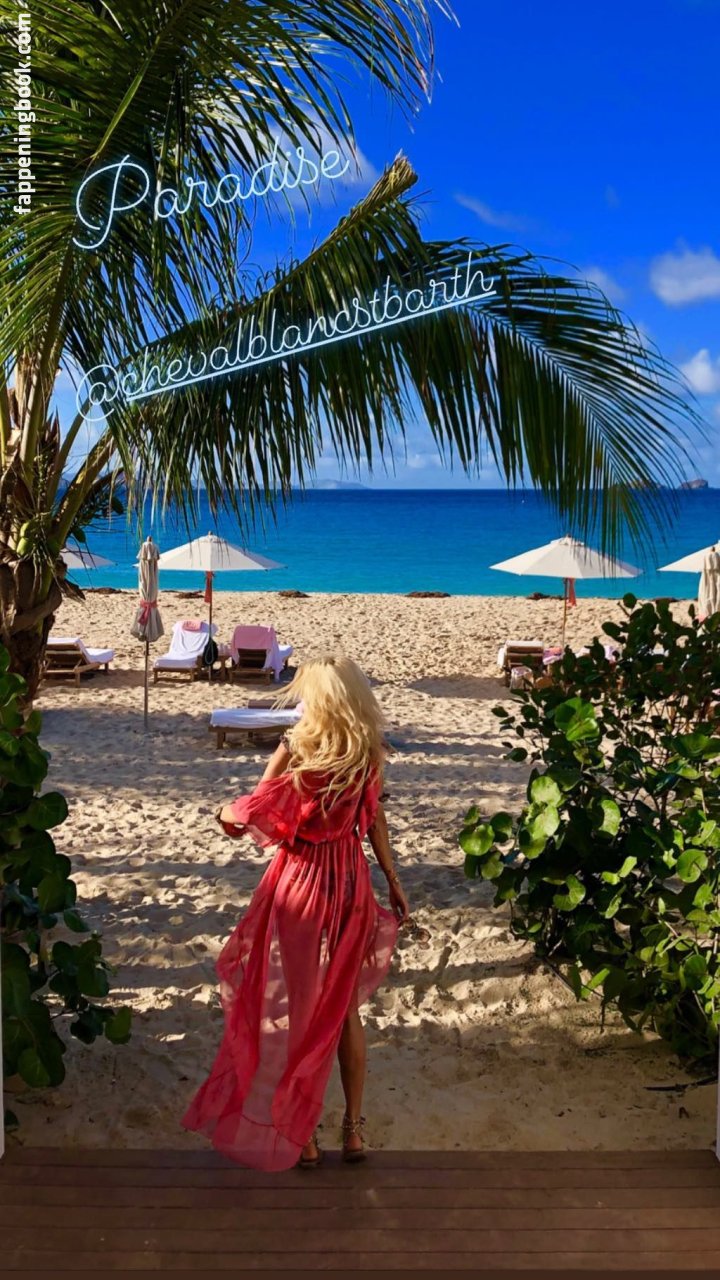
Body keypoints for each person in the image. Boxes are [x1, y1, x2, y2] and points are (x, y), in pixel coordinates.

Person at [182, 654, 410, 1170]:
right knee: (344, 1009)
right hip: (351, 882)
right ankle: (353, 1131)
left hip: (302, 882)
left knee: (301, 1007)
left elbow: (257, 809)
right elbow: (375, 822)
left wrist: (222, 812)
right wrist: (393, 882)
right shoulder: (368, 752)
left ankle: (302, 1135)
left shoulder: (297, 746)